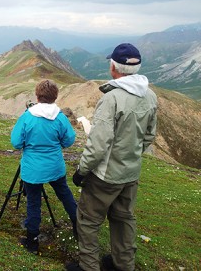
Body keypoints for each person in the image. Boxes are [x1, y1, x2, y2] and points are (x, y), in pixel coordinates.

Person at [66, 43, 158, 271]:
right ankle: (123, 265)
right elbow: (149, 136)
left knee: (88, 221)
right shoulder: (150, 96)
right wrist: (131, 154)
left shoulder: (111, 99)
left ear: (114, 67)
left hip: (105, 176)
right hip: (131, 173)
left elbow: (98, 144)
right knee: (124, 219)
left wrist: (82, 171)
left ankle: (88, 267)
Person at [11, 79, 78, 255]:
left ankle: (32, 241)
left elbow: (16, 142)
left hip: (33, 169)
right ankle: (79, 226)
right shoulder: (60, 117)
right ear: (55, 96)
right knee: (65, 194)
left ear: (37, 95)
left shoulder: (27, 116)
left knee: (33, 203)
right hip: (55, 166)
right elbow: (69, 139)